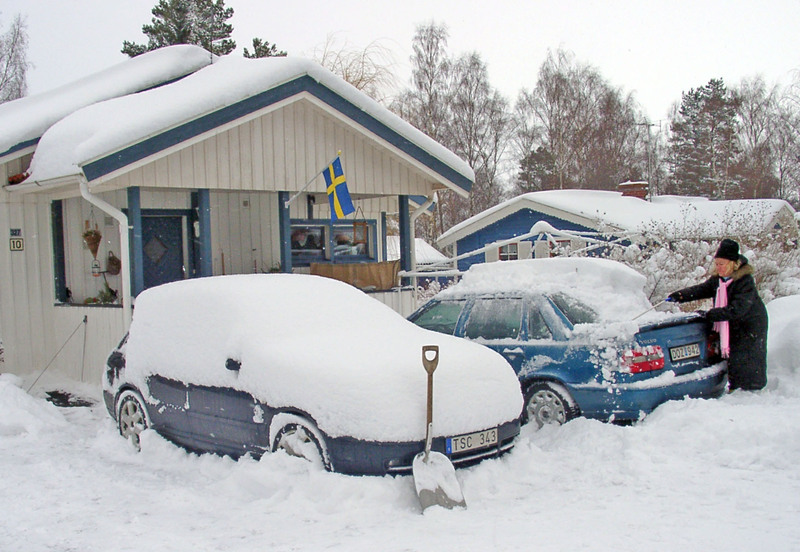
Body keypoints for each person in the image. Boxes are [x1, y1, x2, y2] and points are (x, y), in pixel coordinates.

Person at [666, 238, 768, 391]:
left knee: (747, 356)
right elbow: (701, 290)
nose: (718, 267)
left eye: (722, 264)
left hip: (750, 324)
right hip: (732, 322)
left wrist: (710, 314)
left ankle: (752, 388)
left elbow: (737, 309)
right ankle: (736, 386)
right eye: (717, 263)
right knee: (734, 355)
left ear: (734, 264)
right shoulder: (719, 280)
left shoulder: (744, 282)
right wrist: (680, 296)